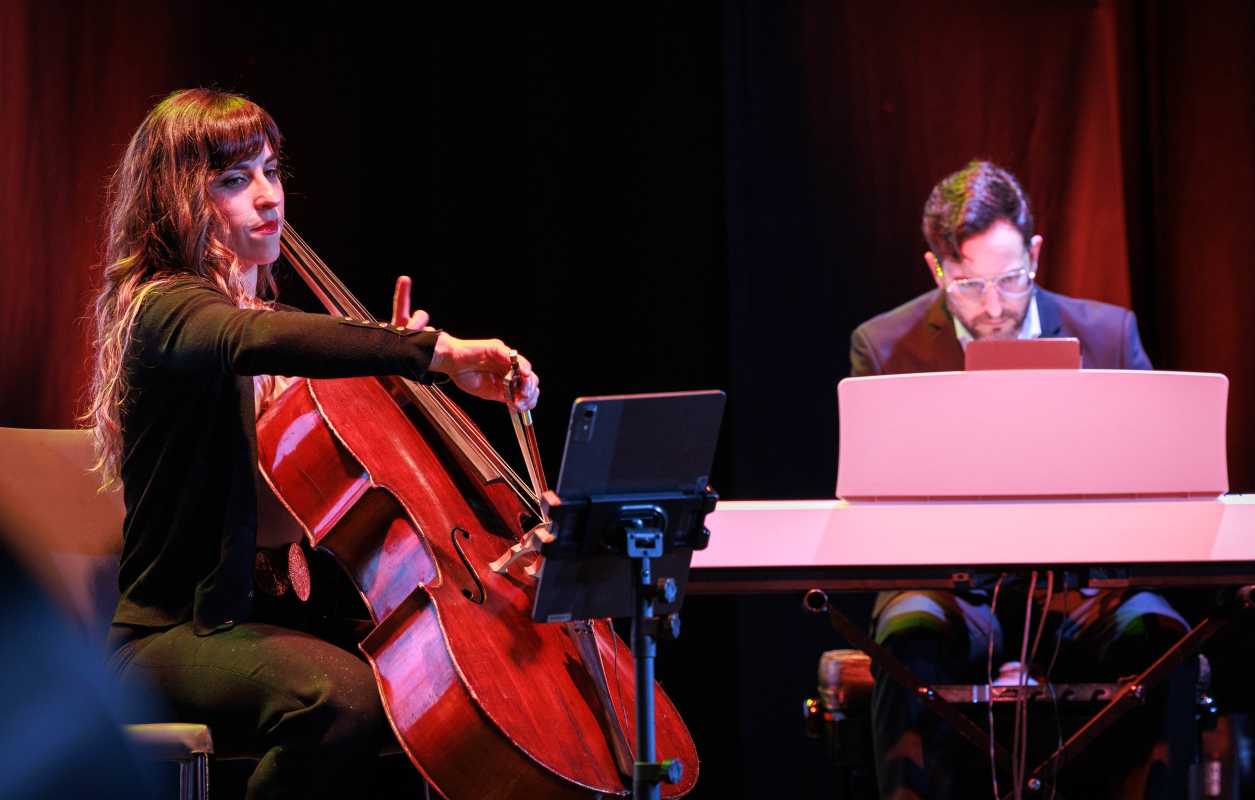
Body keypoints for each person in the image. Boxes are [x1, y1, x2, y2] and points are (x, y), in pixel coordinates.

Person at [84, 88, 539, 799]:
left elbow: (276, 521)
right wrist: (420, 350)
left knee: (438, 685)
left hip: (270, 626)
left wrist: (384, 389)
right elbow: (247, 339)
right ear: (176, 198)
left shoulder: (277, 327)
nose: (268, 198)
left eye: (270, 171)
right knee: (342, 700)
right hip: (175, 637)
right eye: (234, 180)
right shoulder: (166, 310)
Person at [849, 160, 1195, 799]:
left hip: (1085, 596)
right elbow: (877, 508)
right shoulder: (884, 347)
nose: (992, 306)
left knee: (1163, 637)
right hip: (953, 594)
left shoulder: (1110, 334)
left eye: (1010, 280)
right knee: (906, 634)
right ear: (935, 269)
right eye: (967, 284)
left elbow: (1161, 488)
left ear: (1035, 253)